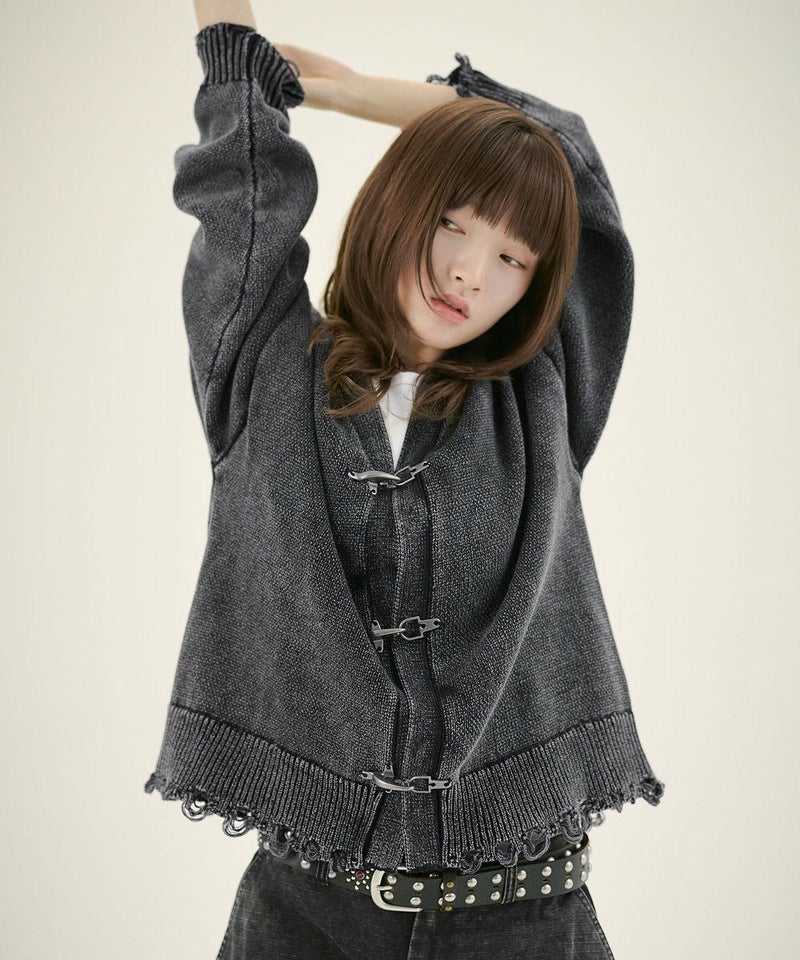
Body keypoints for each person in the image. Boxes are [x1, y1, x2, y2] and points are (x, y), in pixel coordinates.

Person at [144, 3, 666, 957]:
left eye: (512, 256)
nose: (469, 271)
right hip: (304, 918)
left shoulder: (546, 396)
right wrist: (236, 53)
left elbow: (568, 160)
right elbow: (242, 195)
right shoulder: (261, 364)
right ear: (396, 207)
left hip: (523, 921)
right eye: (450, 221)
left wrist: (360, 95)